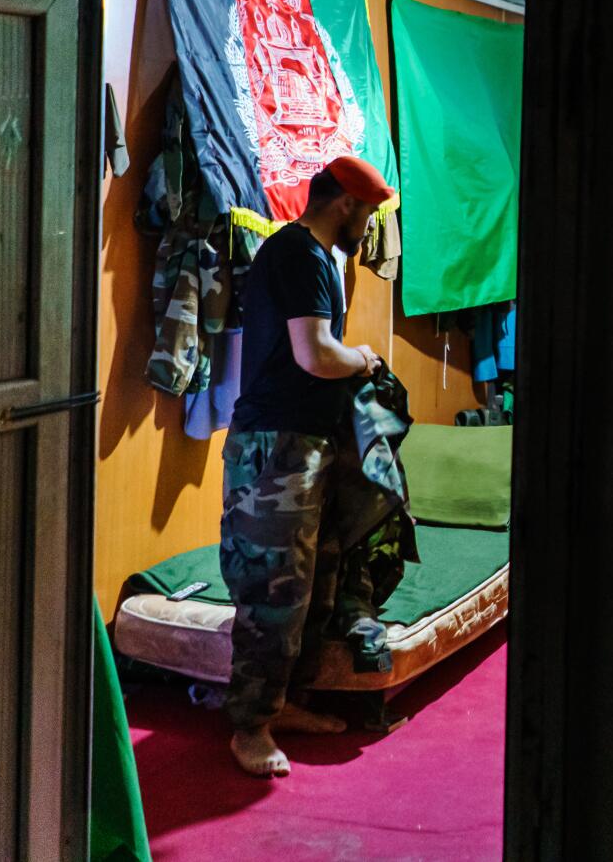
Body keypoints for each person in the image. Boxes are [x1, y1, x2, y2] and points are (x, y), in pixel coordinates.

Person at [219, 156, 394, 777]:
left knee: (312, 583)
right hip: (276, 449)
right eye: (369, 213)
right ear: (346, 203)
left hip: (304, 444)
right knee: (273, 591)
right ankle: (250, 729)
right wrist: (364, 358)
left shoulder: (321, 259)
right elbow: (317, 355)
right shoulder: (298, 254)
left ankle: (283, 703)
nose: (369, 225)